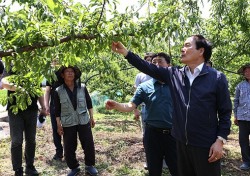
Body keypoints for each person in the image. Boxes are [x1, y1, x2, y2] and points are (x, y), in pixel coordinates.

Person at [111, 34, 232, 176]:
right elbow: (148, 67)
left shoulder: (216, 78)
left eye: (187, 45)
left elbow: (225, 112)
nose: (182, 49)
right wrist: (126, 53)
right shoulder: (175, 74)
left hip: (205, 144)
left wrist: (220, 141)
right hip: (180, 143)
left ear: (201, 51)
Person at [105, 52, 177, 176]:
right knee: (154, 169)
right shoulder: (144, 87)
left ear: (169, 65)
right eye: (153, 63)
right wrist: (116, 105)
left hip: (174, 135)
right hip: (152, 134)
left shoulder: (178, 85)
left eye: (160, 61)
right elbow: (130, 106)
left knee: (178, 169)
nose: (156, 65)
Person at [54, 65, 98, 176]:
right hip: (68, 121)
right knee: (69, 146)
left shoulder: (82, 87)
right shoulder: (58, 91)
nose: (70, 73)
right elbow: (57, 110)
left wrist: (92, 117)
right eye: (67, 71)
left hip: (83, 119)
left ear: (75, 74)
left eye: (72, 71)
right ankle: (74, 167)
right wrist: (58, 124)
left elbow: (89, 103)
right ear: (62, 75)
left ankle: (89, 165)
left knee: (88, 143)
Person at [1, 68, 46, 176]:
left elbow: (39, 89)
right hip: (15, 110)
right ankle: (18, 169)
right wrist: (19, 89)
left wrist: (43, 106)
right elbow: (3, 82)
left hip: (32, 110)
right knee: (16, 140)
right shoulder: (12, 66)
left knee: (31, 139)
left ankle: (30, 167)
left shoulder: (35, 66)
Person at [44, 61, 64, 161]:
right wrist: (46, 105)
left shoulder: (67, 71)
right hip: (54, 106)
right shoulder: (51, 73)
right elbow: (47, 90)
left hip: (67, 105)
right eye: (54, 59)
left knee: (69, 129)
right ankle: (59, 152)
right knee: (56, 129)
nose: (55, 61)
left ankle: (69, 151)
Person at [233, 63, 250, 170]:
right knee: (243, 140)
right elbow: (236, 101)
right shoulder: (240, 86)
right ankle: (246, 161)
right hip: (243, 117)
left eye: (249, 71)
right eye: (246, 71)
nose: (247, 73)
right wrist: (235, 115)